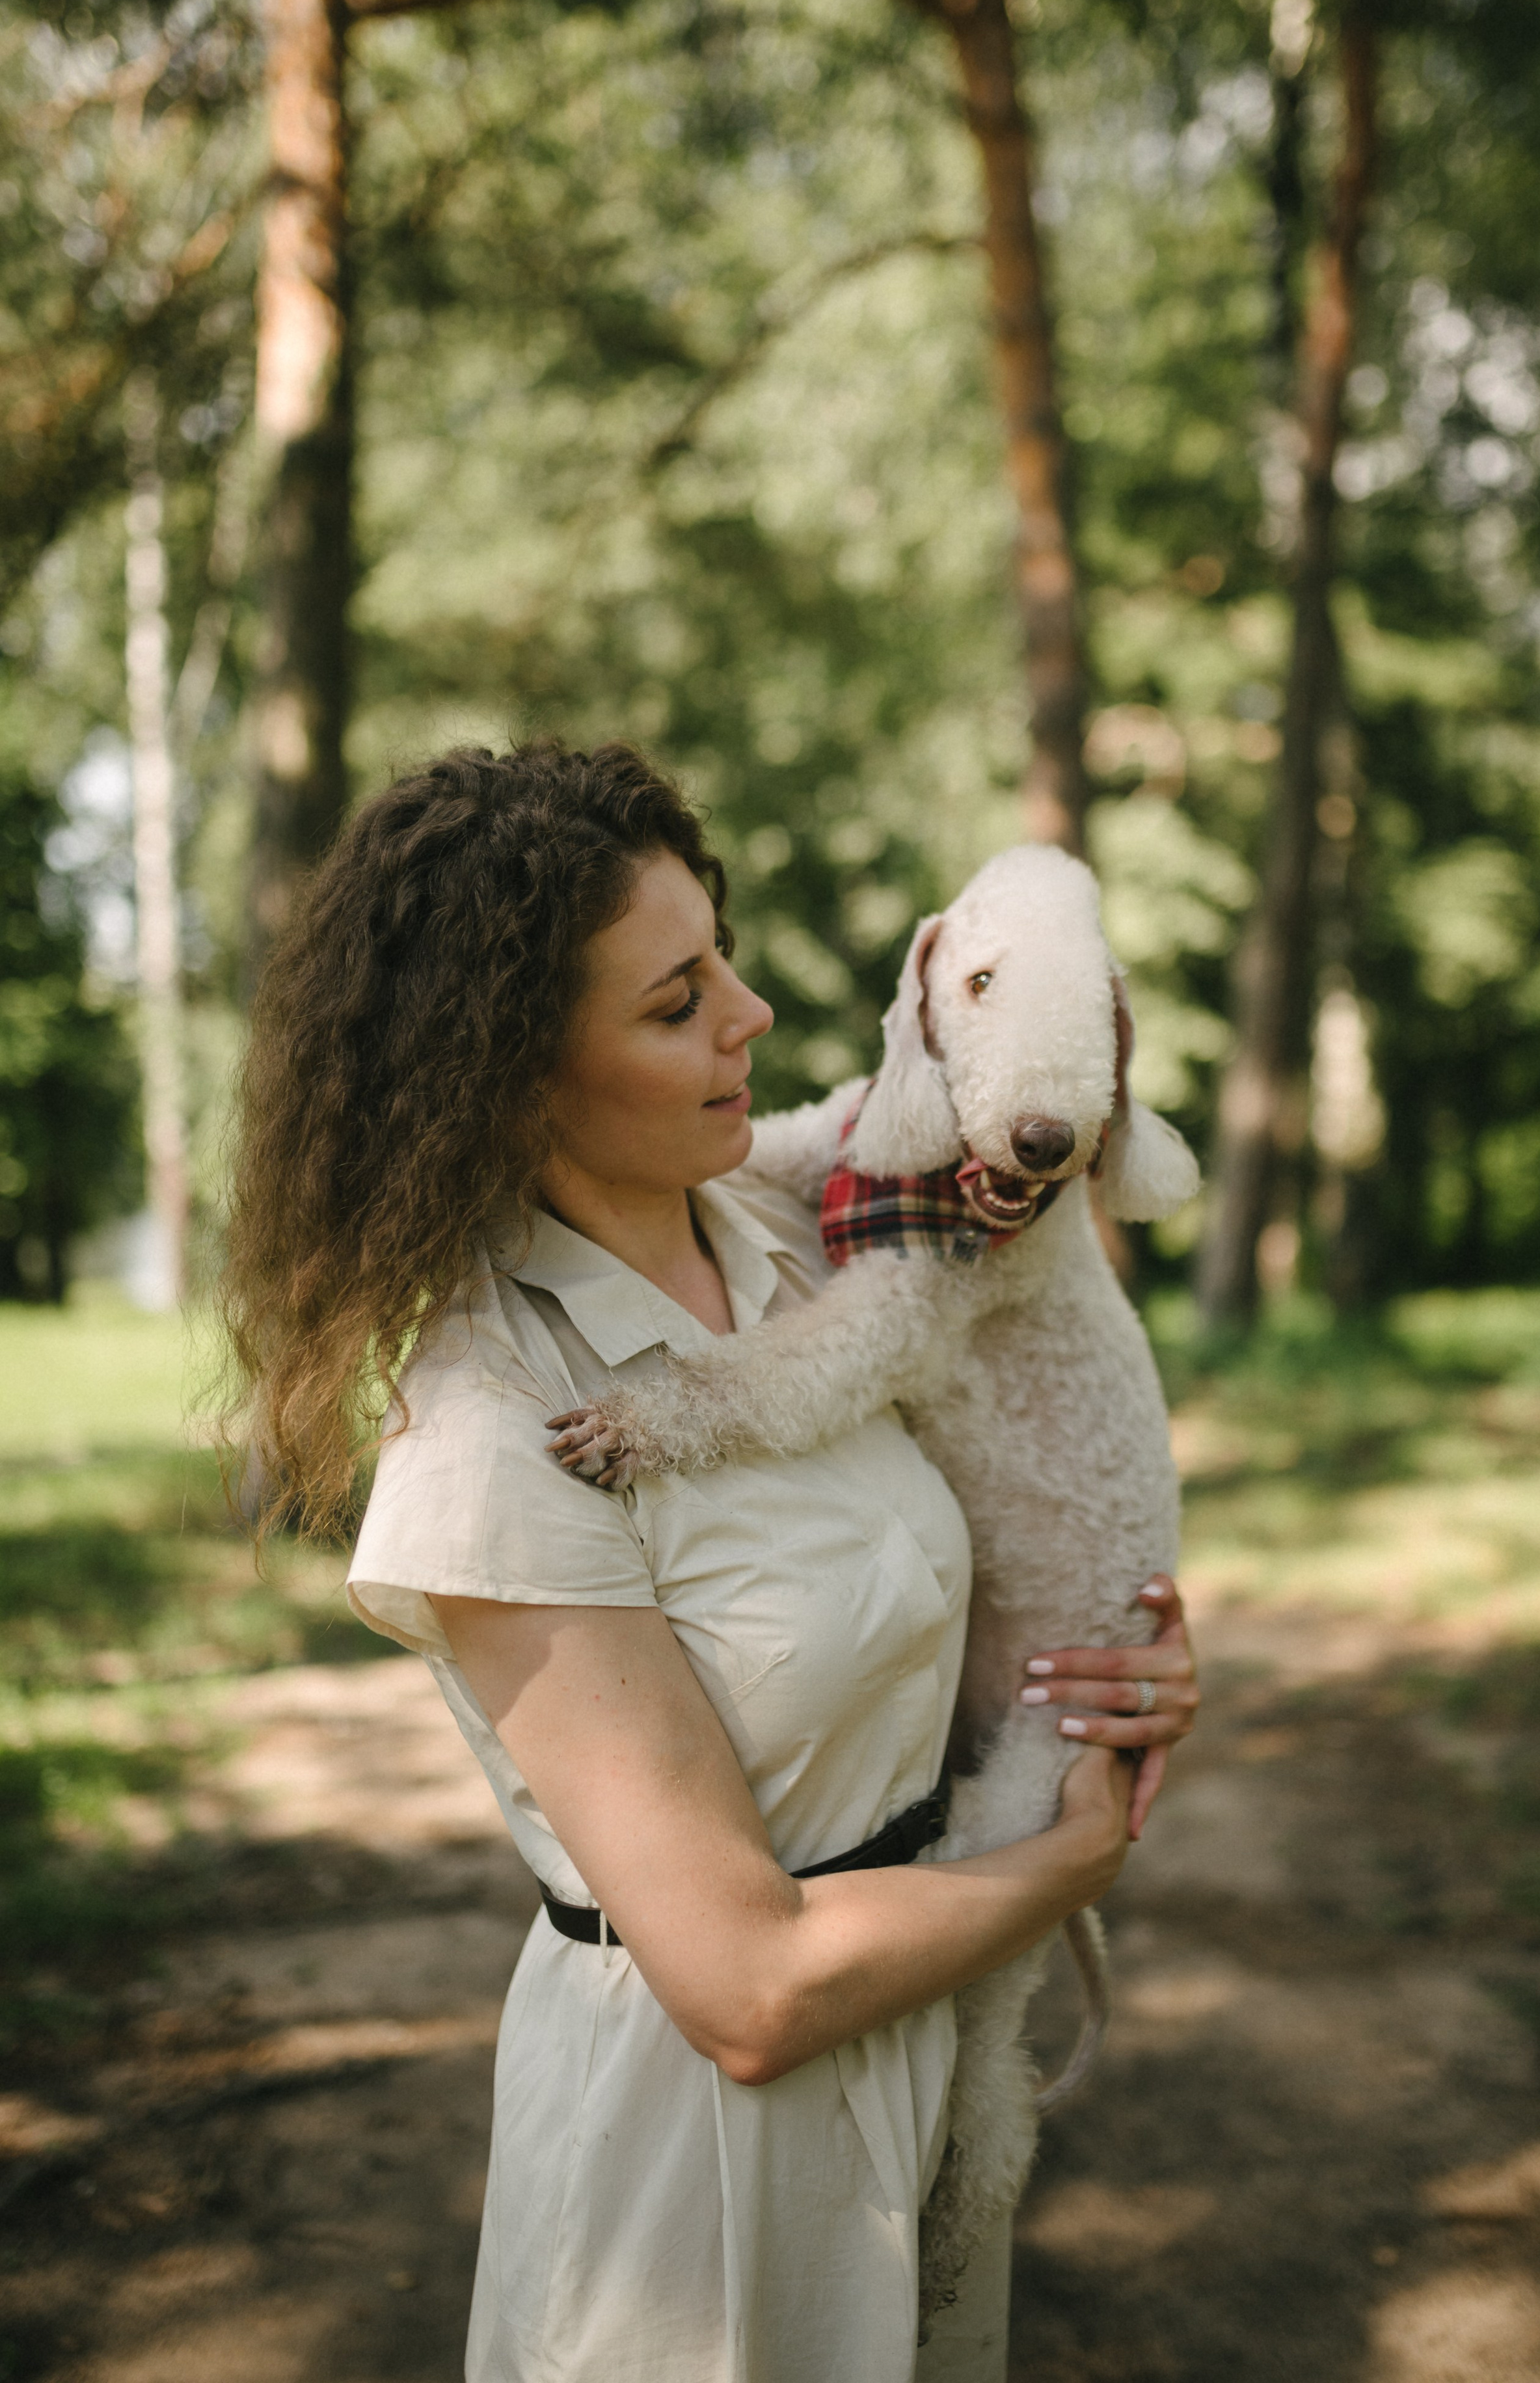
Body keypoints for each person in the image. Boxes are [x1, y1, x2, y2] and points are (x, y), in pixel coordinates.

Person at [221, 741, 1200, 2383]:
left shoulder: (785, 1233)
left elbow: (987, 1490)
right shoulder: (493, 1427)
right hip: (700, 2184)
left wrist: (1108, 1665)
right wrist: (1060, 1867)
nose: (747, 1012)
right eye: (676, 1003)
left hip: (906, 2069)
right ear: (510, 1074)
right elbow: (744, 1986)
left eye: (722, 956)